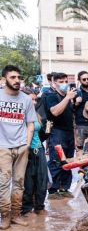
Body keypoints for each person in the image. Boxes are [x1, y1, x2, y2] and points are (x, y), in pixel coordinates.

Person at [0, 65, 37, 228]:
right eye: (12, 77)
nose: (17, 81)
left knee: (19, 182)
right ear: (3, 80)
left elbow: (30, 124)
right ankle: (5, 216)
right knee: (4, 181)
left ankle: (16, 214)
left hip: (22, 145)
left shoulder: (26, 99)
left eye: (18, 78)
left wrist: (27, 144)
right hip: (2, 146)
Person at [41, 72, 76, 198]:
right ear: (54, 83)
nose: (64, 84)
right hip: (56, 132)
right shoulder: (50, 96)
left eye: (65, 81)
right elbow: (55, 112)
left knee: (68, 161)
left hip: (68, 132)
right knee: (56, 160)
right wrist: (68, 98)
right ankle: (53, 190)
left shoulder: (67, 97)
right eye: (60, 82)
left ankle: (64, 188)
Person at [21, 86, 48, 215]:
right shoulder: (18, 116)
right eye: (32, 100)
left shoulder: (35, 114)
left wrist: (48, 130)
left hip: (39, 149)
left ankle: (40, 207)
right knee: (28, 181)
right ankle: (26, 209)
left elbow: (41, 135)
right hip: (25, 151)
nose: (35, 102)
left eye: (36, 100)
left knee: (42, 180)